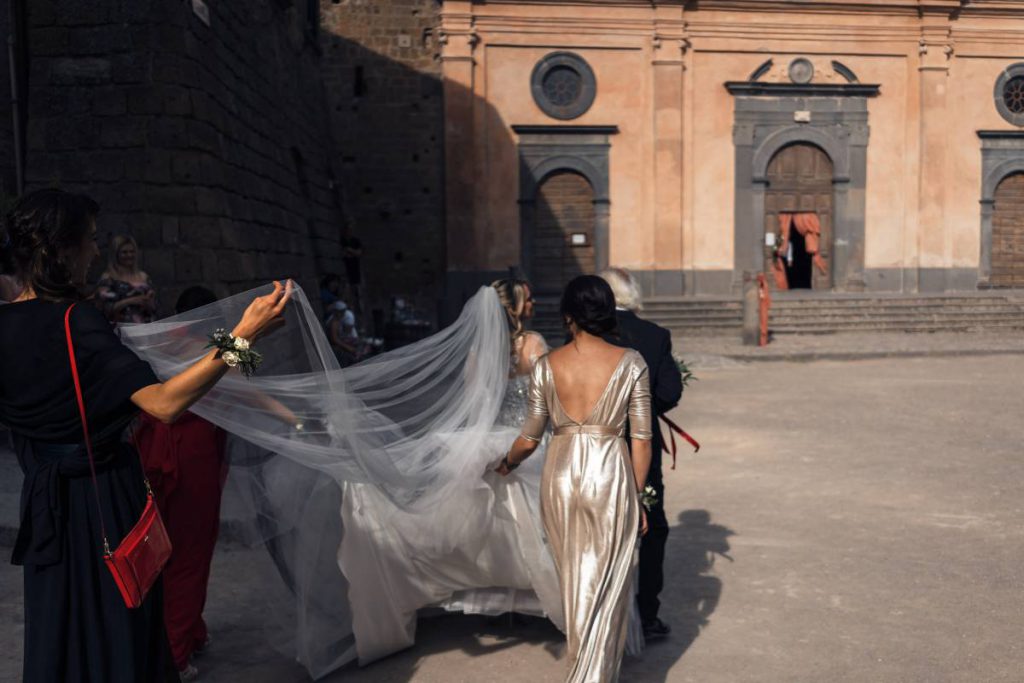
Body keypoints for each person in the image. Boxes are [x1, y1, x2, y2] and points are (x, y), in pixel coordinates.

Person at [0, 188, 292, 682]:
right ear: (62, 249)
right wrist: (243, 338)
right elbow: (167, 402)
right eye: (90, 240)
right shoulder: (79, 320)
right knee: (125, 621)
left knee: (62, 627)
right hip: (107, 496)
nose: (97, 251)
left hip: (45, 506)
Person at [497, 274, 653, 683]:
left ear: (568, 315)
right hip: (610, 474)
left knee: (575, 581)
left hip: (561, 476)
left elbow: (530, 438)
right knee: (610, 584)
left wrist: (506, 463)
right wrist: (637, 497)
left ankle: (583, 671)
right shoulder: (632, 363)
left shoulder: (547, 366)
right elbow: (641, 440)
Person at [134, 286, 228, 682]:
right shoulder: (223, 347)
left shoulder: (160, 341)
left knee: (161, 552)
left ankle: (190, 630)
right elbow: (256, 393)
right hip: (194, 457)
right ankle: (175, 653)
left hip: (151, 452)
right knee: (190, 552)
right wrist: (296, 420)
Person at [600, 267, 683, 641]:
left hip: (597, 445)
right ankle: (646, 613)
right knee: (652, 527)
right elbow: (670, 391)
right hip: (642, 443)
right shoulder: (655, 335)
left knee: (600, 525)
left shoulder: (588, 336)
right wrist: (643, 412)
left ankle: (599, 611)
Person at [96, 234, 158, 324]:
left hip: (144, 327)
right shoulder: (108, 279)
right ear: (116, 254)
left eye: (132, 251)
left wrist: (149, 302)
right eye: (124, 252)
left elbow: (155, 308)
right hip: (120, 328)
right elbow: (105, 308)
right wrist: (132, 301)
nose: (129, 255)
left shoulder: (144, 277)